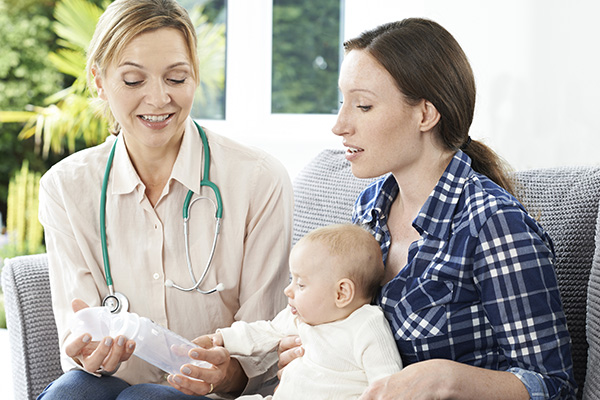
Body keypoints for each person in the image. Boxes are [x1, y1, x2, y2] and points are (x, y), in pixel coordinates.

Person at [276, 18, 577, 399]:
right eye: (342, 102)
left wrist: (450, 380)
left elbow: (555, 386)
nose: (340, 125)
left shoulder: (493, 224)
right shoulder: (369, 209)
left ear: (425, 114)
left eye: (363, 105)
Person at [36, 0, 293, 399]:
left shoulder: (258, 180)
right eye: (134, 81)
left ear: (195, 77)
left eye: (176, 79)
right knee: (72, 390)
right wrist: (88, 353)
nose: (158, 100)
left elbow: (267, 347)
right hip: (108, 387)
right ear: (99, 81)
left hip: (211, 397)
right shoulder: (66, 187)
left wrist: (226, 373)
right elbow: (79, 329)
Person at [211, 223, 402, 399]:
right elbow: (263, 332)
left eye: (300, 284)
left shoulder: (367, 325)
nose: (288, 290)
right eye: (291, 279)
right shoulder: (299, 316)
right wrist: (221, 339)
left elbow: (388, 385)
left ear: (341, 293)